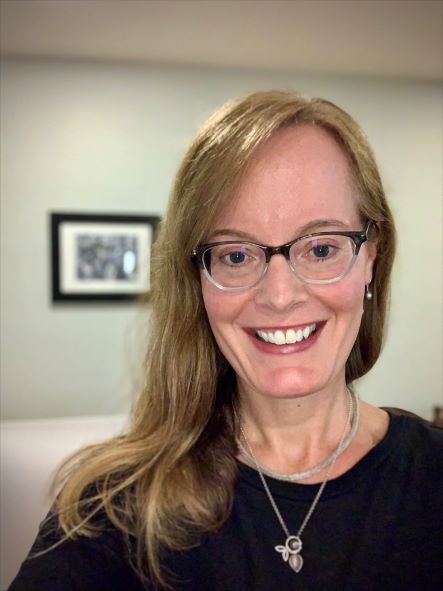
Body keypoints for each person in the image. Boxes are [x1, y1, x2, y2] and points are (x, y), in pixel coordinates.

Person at [9, 91, 443, 591]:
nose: (279, 296)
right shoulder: (113, 513)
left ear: (371, 257)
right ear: (197, 279)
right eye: (236, 256)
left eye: (322, 248)